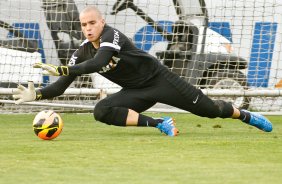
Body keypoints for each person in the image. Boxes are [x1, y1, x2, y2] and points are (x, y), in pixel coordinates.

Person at [13, 6, 273, 136]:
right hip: (136, 91)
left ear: (101, 22)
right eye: (84, 25)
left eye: (92, 22)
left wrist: (62, 67)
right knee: (101, 111)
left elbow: (97, 63)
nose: (88, 27)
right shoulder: (81, 50)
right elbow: (60, 86)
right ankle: (160, 124)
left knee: (210, 111)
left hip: (160, 80)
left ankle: (244, 115)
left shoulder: (111, 36)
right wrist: (37, 96)